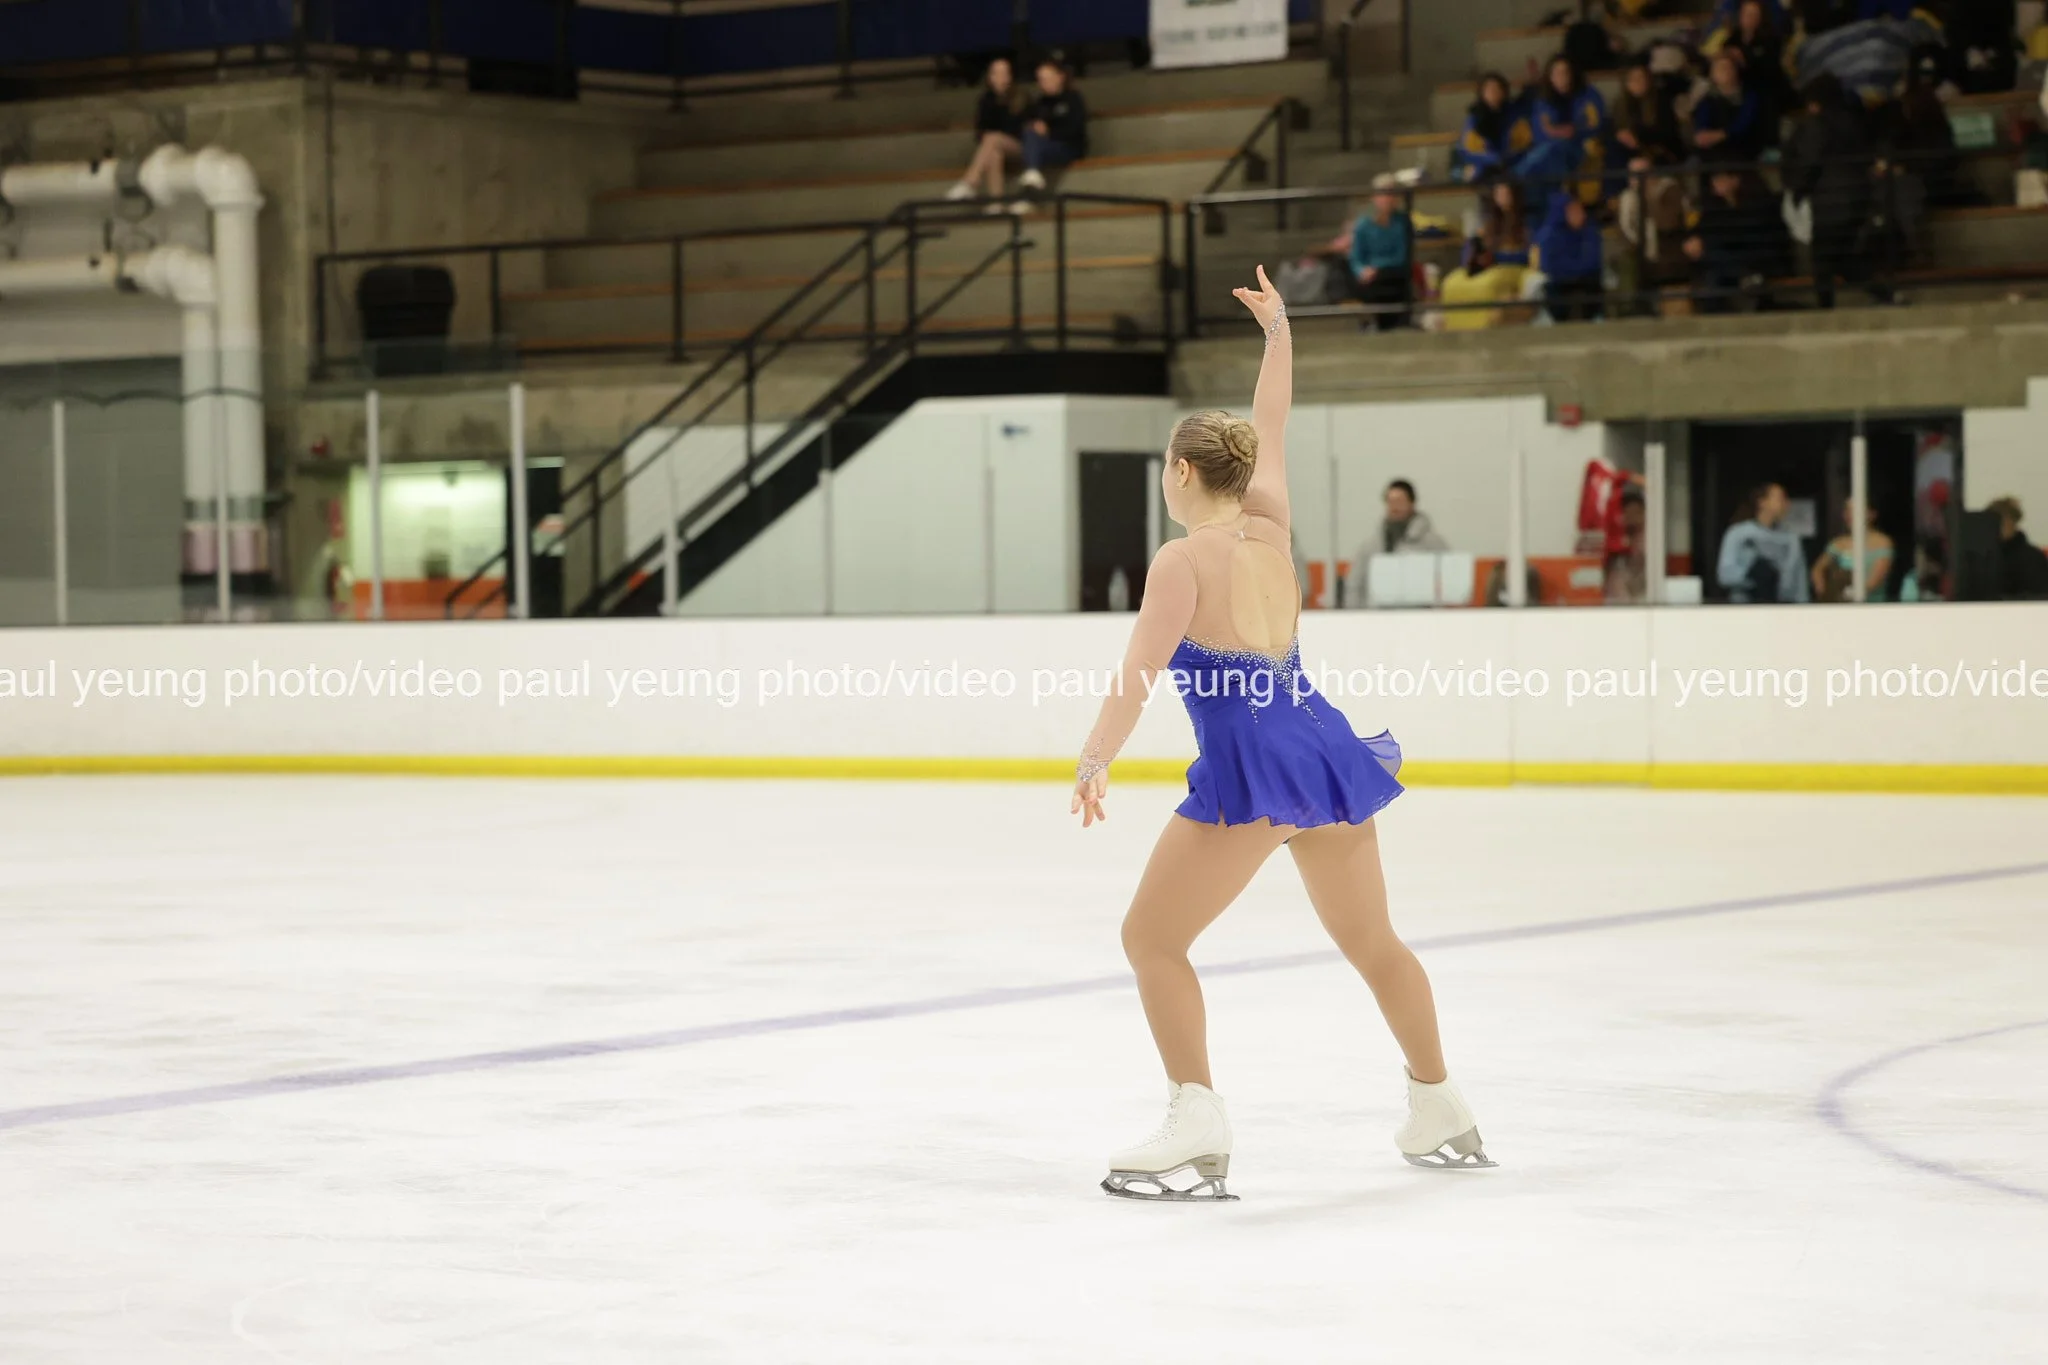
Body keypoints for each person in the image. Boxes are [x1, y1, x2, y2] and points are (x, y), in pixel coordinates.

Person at [1073, 267, 1492, 1202]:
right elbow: (1276, 422)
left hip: (1256, 770)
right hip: (1328, 754)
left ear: (1184, 472)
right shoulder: (1271, 529)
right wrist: (1278, 335)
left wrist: (1095, 758)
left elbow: (1137, 676)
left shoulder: (1180, 560)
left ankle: (1196, 1119)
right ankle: (1440, 1101)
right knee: (1375, 941)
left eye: (1167, 466)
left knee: (1151, 938)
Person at [1783, 73, 1874, 308]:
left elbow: (1809, 162)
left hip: (1830, 201)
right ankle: (1885, 294)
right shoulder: (1854, 121)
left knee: (1824, 260)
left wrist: (1798, 190)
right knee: (1842, 257)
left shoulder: (1817, 125)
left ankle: (1825, 310)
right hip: (1858, 196)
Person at [1684, 169, 1791, 312]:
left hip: (1759, 258)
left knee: (1711, 259)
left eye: (1720, 178)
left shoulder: (1758, 203)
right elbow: (1705, 228)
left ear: (1735, 180)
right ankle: (1745, 276)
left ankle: (1745, 277)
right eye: (1714, 179)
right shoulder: (1716, 206)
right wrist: (1695, 239)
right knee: (1713, 274)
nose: (1715, 183)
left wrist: (1707, 244)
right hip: (1731, 262)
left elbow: (1747, 237)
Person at [1519, 55, 1610, 210]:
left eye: (1565, 72)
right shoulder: (1543, 99)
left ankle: (1514, 179)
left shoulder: (1589, 95)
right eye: (1556, 73)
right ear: (1549, 77)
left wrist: (1567, 131)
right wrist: (1559, 132)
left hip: (1581, 149)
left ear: (1573, 74)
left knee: (1546, 155)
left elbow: (1594, 126)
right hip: (1552, 154)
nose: (1561, 77)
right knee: (1547, 155)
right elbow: (1540, 133)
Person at [946, 58, 1027, 208]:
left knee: (993, 138)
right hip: (995, 146)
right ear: (990, 77)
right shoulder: (986, 100)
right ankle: (997, 203)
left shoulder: (1021, 97)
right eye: (997, 73)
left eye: (1004, 73)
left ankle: (970, 181)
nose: (1001, 77)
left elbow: (1021, 128)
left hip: (1019, 146)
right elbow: (980, 130)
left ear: (1010, 76)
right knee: (994, 153)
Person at [1012, 58, 1088, 212]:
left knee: (1034, 146)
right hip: (1046, 147)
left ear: (1060, 77)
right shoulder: (1041, 102)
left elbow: (1075, 129)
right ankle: (1031, 184)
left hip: (1069, 147)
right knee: (1030, 135)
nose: (1044, 83)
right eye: (1041, 79)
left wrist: (1049, 132)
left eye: (1048, 78)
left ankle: (1030, 187)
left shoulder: (1073, 99)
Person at [1717, 482, 1811, 602]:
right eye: (1781, 498)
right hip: (1745, 606)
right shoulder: (1738, 533)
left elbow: (1800, 582)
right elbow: (1724, 575)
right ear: (1762, 502)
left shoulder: (1792, 539)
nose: (1786, 504)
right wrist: (1751, 577)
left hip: (1782, 607)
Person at [1349, 178, 1413, 331]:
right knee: (1368, 285)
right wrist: (1362, 270)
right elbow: (1356, 257)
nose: (1388, 199)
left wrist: (1377, 268)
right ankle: (1376, 325)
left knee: (1393, 283)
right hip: (1371, 277)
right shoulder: (1363, 225)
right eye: (1383, 194)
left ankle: (1393, 325)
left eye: (1391, 194)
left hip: (1393, 273)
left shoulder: (1403, 223)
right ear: (1374, 197)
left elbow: (1401, 256)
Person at [1535, 192, 1605, 321]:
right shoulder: (1548, 236)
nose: (1581, 215)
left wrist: (1572, 270)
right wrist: (1573, 270)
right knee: (1551, 290)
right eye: (1574, 211)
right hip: (1559, 284)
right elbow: (1548, 266)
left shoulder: (1590, 232)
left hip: (1586, 281)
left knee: (1592, 288)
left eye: (1580, 210)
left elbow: (1594, 262)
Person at [1811, 496, 1896, 600]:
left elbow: (1875, 581)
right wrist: (1824, 591)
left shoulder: (1883, 542)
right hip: (1842, 604)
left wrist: (1847, 595)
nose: (1849, 514)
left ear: (1872, 514)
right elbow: (1817, 569)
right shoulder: (1839, 543)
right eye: (1847, 510)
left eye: (1855, 510)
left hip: (1872, 605)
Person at [1692, 52, 1771, 163]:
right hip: (1714, 151)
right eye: (1719, 68)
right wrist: (1703, 136)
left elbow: (1745, 124)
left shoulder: (1750, 96)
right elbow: (1702, 124)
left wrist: (1723, 134)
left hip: (1744, 148)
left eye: (1728, 68)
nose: (1725, 71)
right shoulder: (1707, 100)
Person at [1453, 72, 1531, 182]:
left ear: (1504, 92)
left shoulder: (1515, 115)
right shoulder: (1474, 118)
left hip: (1511, 165)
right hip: (1483, 165)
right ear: (1481, 93)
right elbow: (1467, 150)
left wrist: (1505, 158)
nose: (1493, 93)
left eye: (1496, 89)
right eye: (1488, 89)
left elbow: (1524, 145)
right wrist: (1492, 159)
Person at [1615, 58, 1686, 168]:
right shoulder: (1621, 105)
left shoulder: (1661, 100)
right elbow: (1616, 130)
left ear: (1648, 80)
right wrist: (1622, 136)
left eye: (1641, 78)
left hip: (1661, 152)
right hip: (1632, 152)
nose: (1637, 83)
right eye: (1632, 79)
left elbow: (1668, 134)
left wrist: (1638, 137)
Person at [1987, 496, 2048, 598]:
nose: (2000, 526)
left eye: (2004, 521)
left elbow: (2040, 595)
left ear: (2013, 522)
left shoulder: (2032, 558)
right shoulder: (1984, 557)